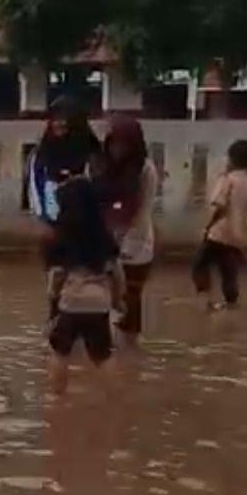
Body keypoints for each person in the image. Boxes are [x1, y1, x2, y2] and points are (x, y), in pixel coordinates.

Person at [46, 175, 126, 395]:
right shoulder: (103, 237)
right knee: (103, 355)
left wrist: (53, 300)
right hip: (99, 304)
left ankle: (57, 396)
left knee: (60, 351)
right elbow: (117, 274)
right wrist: (118, 300)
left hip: (71, 302)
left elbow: (57, 276)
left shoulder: (61, 238)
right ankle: (116, 397)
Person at [94, 113, 159, 337]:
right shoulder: (100, 166)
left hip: (135, 243)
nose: (117, 149)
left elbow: (142, 211)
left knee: (130, 298)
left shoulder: (145, 170)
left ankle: (130, 353)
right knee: (105, 299)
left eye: (123, 144)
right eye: (113, 142)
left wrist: (127, 250)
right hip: (105, 238)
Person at [192, 138, 247, 308]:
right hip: (236, 238)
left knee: (199, 265)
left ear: (231, 159)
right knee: (229, 275)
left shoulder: (228, 180)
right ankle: (231, 307)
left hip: (218, 234)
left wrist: (207, 226)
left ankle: (205, 301)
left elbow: (219, 207)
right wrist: (244, 230)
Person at [28, 96, 100, 230]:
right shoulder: (43, 151)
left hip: (86, 220)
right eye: (55, 119)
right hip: (54, 219)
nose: (58, 124)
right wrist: (45, 214)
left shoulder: (92, 151)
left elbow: (98, 184)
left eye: (64, 119)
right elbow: (36, 183)